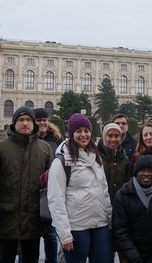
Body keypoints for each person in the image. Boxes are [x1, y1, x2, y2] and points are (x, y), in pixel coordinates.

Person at [0, 106, 54, 263]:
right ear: (14, 123)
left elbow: (51, 184)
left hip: (33, 218)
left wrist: (49, 211)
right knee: (5, 257)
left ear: (33, 123)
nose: (25, 123)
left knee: (31, 258)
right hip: (7, 217)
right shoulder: (0, 148)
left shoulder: (45, 149)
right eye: (21, 120)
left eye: (28, 120)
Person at [47, 113, 113, 263]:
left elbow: (104, 191)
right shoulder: (61, 161)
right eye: (78, 131)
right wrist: (64, 235)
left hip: (100, 223)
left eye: (86, 130)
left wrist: (109, 219)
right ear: (71, 134)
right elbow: (56, 200)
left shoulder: (96, 157)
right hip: (77, 227)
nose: (83, 134)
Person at [112, 155, 152, 263]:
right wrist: (135, 259)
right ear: (136, 173)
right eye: (142, 170)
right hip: (130, 253)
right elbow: (120, 231)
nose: (146, 174)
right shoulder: (122, 195)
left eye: (150, 171)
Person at [34, 107, 61, 263]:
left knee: (50, 234)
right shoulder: (29, 138)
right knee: (29, 235)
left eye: (44, 119)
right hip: (32, 191)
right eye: (39, 120)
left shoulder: (56, 139)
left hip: (51, 192)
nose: (42, 122)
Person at [98, 123, 132, 200]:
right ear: (104, 137)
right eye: (110, 136)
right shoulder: (96, 158)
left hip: (120, 202)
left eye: (116, 136)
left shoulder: (125, 159)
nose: (113, 139)